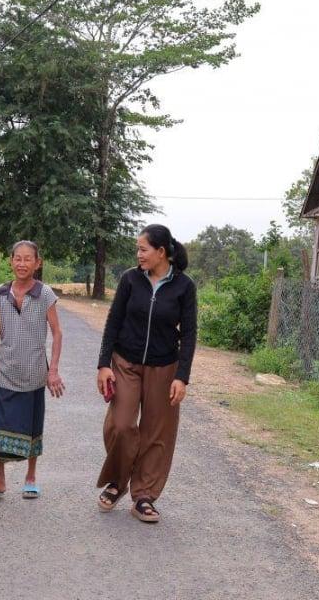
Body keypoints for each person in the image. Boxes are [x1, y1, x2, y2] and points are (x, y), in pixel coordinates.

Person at [95, 224, 197, 523]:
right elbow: (113, 321)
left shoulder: (184, 286)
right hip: (125, 361)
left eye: (143, 249)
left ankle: (144, 496)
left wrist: (182, 376)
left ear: (161, 252)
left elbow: (189, 334)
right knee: (122, 424)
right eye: (138, 249)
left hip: (164, 366)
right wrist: (103, 364)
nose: (138, 254)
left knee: (157, 433)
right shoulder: (130, 279)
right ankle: (117, 480)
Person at [0, 240, 65, 504]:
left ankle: (31, 478)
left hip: (36, 374)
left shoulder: (45, 294)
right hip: (7, 372)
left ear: (38, 263)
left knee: (33, 426)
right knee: (0, 425)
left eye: (28, 259)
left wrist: (53, 370)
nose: (22, 264)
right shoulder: (0, 294)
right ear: (10, 261)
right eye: (18, 259)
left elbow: (58, 333)